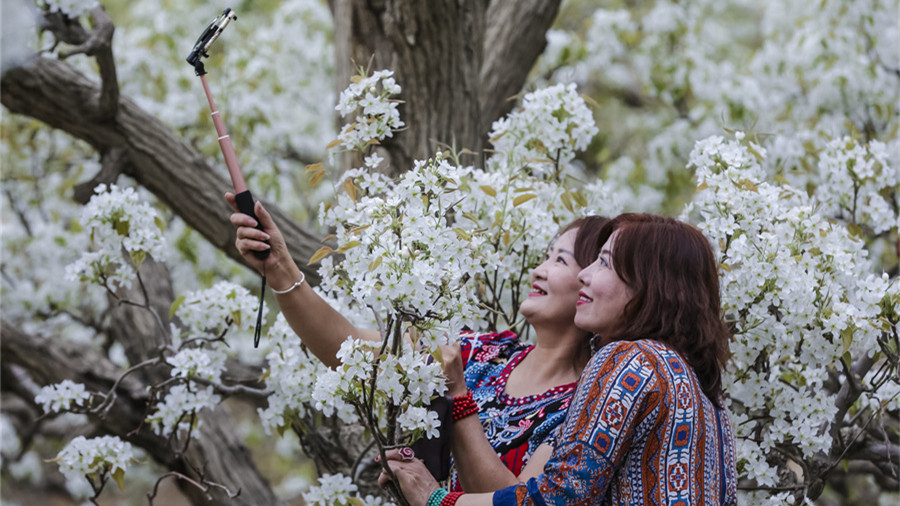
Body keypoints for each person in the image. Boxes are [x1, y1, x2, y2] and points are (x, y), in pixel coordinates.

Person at [225, 192, 608, 490]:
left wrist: (458, 394)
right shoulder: (488, 353)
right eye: (544, 256)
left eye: (560, 261)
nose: (539, 270)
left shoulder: (586, 405)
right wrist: (280, 269)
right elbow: (350, 348)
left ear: (593, 283)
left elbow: (514, 499)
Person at [379, 213, 738, 505]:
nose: (585, 274)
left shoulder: (632, 360)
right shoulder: (704, 392)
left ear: (649, 287)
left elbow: (557, 497)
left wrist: (434, 498)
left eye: (604, 264)